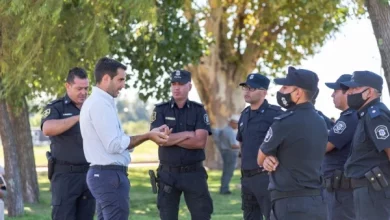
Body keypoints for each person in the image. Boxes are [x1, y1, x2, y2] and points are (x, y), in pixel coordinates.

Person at [79, 57, 169, 220]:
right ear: (106, 78)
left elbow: (118, 140)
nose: (123, 85)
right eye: (120, 79)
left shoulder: (102, 102)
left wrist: (149, 133)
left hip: (105, 175)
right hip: (108, 176)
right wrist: (148, 136)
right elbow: (114, 145)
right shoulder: (100, 104)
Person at [258, 66, 328, 220]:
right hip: (317, 201)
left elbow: (260, 157)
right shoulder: (321, 121)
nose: (281, 91)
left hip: (290, 204)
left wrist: (268, 157)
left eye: (285, 87)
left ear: (298, 93)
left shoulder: (284, 121)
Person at [150, 70, 213, 220]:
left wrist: (171, 137)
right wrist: (187, 134)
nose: (176, 87)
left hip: (194, 173)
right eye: (173, 84)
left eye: (181, 84)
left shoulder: (198, 110)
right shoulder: (160, 110)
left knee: (202, 216)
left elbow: (200, 142)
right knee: (167, 216)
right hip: (168, 175)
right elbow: (159, 139)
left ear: (189, 86)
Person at [41, 67, 95, 220]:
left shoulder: (93, 106)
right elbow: (47, 128)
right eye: (79, 88)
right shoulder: (56, 107)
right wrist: (79, 117)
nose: (83, 92)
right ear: (68, 86)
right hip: (65, 176)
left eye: (86, 88)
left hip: (89, 174)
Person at [341, 71, 390, 220]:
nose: (349, 92)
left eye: (355, 88)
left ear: (369, 92)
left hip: (374, 191)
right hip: (367, 191)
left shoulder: (376, 115)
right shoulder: (365, 115)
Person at [237, 73, 283, 220]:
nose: (247, 91)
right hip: (247, 178)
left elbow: (285, 143)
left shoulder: (275, 114)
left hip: (266, 177)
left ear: (264, 92)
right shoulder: (244, 115)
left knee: (273, 216)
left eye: (251, 88)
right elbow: (242, 143)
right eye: (245, 88)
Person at [323, 74, 358, 220]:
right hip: (340, 188)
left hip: (342, 191)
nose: (332, 94)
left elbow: (325, 146)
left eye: (335, 91)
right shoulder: (349, 116)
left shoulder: (349, 118)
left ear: (347, 92)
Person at [217, 114, 240, 195]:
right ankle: (224, 189)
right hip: (230, 153)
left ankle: (224, 187)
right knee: (228, 172)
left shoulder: (225, 130)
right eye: (237, 124)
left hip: (226, 152)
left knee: (226, 171)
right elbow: (233, 145)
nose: (238, 126)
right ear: (233, 122)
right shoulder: (229, 131)